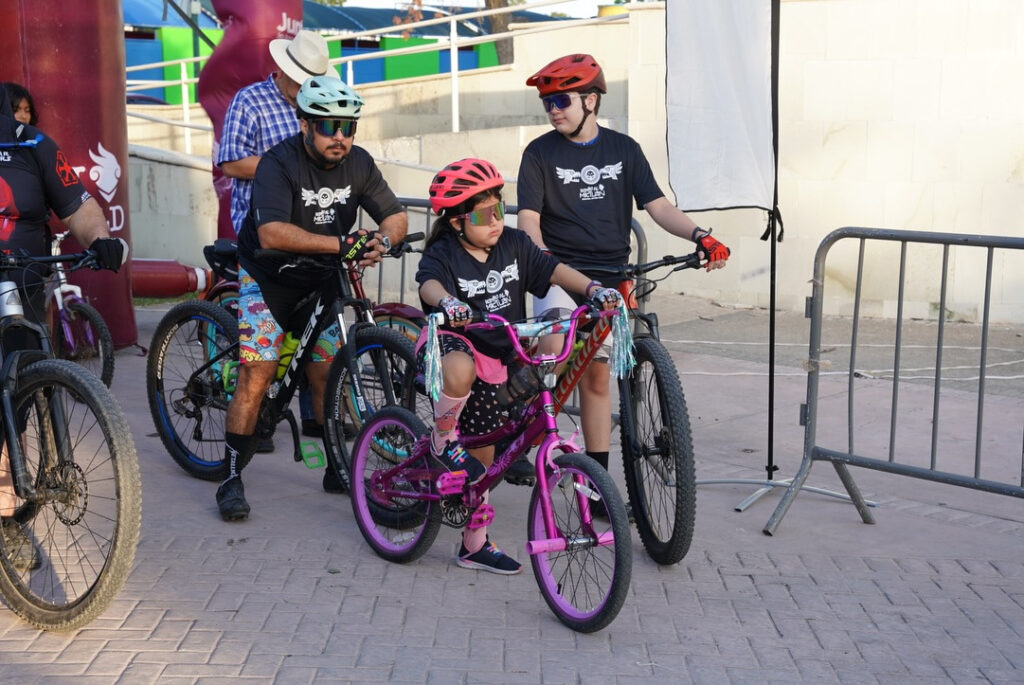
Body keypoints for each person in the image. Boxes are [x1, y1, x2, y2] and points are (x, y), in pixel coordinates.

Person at [515, 53, 731, 488]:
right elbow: (528, 219)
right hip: (560, 274)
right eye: (548, 104)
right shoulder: (538, 153)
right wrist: (540, 258)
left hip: (611, 278)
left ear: (591, 101)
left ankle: (595, 486)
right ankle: (523, 431)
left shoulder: (624, 150)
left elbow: (658, 206)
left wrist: (701, 237)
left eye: (562, 100)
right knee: (554, 348)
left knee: (596, 379)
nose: (554, 110)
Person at [415, 157, 623, 574]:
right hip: (456, 346)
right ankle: (442, 440)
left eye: (499, 207)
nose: (496, 219)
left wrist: (594, 289)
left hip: (503, 353)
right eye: (483, 213)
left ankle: (473, 544)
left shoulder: (513, 244)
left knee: (488, 461)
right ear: (456, 221)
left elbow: (553, 269)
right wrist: (449, 302)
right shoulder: (445, 253)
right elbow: (427, 282)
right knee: (462, 373)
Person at [216, 75, 408, 522]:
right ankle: (230, 476)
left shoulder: (358, 162)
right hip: (269, 277)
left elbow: (395, 214)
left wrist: (381, 238)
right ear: (304, 123)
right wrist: (345, 244)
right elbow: (271, 232)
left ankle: (335, 466)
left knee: (327, 373)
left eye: (348, 126)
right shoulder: (278, 164)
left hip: (322, 276)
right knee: (257, 374)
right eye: (328, 126)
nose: (340, 136)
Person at [0, 86, 128, 570]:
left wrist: (101, 239)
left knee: (19, 399)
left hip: (23, 284)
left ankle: (8, 519)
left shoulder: (34, 145)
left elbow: (77, 205)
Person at [216, 29, 335, 444]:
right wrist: (283, 166)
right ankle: (254, 415)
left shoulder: (322, 104)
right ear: (282, 70)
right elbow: (229, 162)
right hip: (262, 234)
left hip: (312, 232)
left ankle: (319, 422)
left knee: (320, 340)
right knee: (262, 357)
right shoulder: (250, 101)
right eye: (300, 78)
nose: (306, 86)